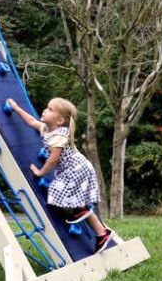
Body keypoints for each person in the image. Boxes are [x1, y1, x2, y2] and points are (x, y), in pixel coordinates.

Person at [6, 96, 114, 253]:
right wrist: (16, 108)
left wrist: (40, 172)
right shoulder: (47, 129)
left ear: (60, 120)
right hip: (73, 169)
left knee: (57, 191)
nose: (45, 110)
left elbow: (52, 160)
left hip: (76, 169)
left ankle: (78, 210)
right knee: (72, 202)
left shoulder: (60, 135)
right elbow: (31, 121)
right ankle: (101, 233)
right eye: (46, 107)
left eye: (50, 109)